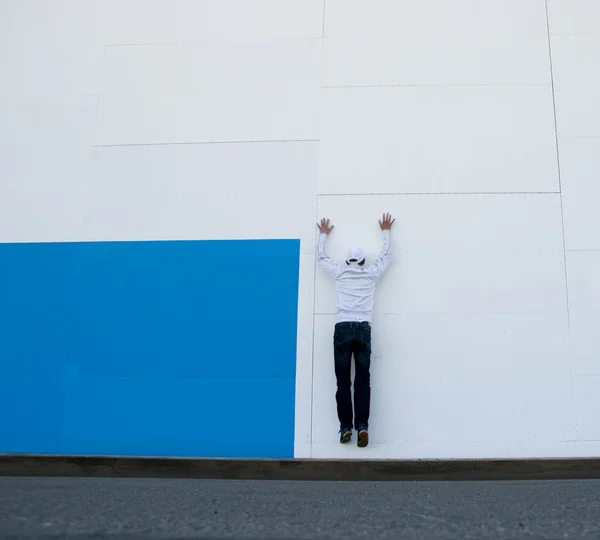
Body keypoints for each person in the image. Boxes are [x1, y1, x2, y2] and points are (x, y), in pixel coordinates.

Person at [316, 213, 395, 448]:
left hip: (342, 329)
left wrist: (322, 234)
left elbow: (321, 257)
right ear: (361, 262)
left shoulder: (339, 273)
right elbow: (387, 256)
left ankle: (344, 429)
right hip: (362, 329)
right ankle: (362, 426)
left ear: (347, 261)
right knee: (363, 382)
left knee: (343, 383)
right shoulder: (370, 274)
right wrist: (386, 230)